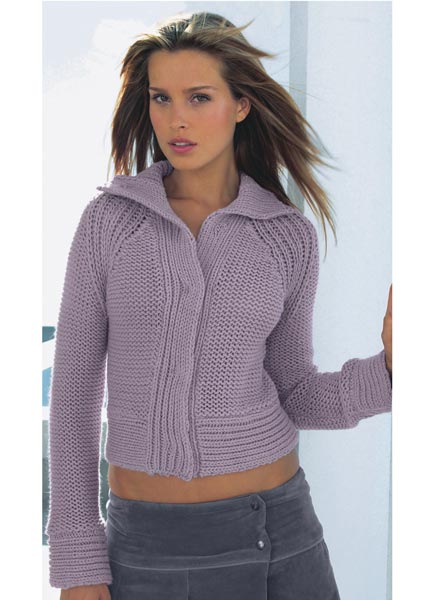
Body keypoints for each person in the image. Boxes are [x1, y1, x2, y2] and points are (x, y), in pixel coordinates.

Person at [45, 11, 393, 600]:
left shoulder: (285, 236)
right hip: (150, 549)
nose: (175, 119)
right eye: (161, 98)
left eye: (199, 97)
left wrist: (390, 373)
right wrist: (77, 561)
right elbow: (75, 397)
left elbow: (295, 392)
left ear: (241, 105)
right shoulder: (109, 223)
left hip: (283, 534)